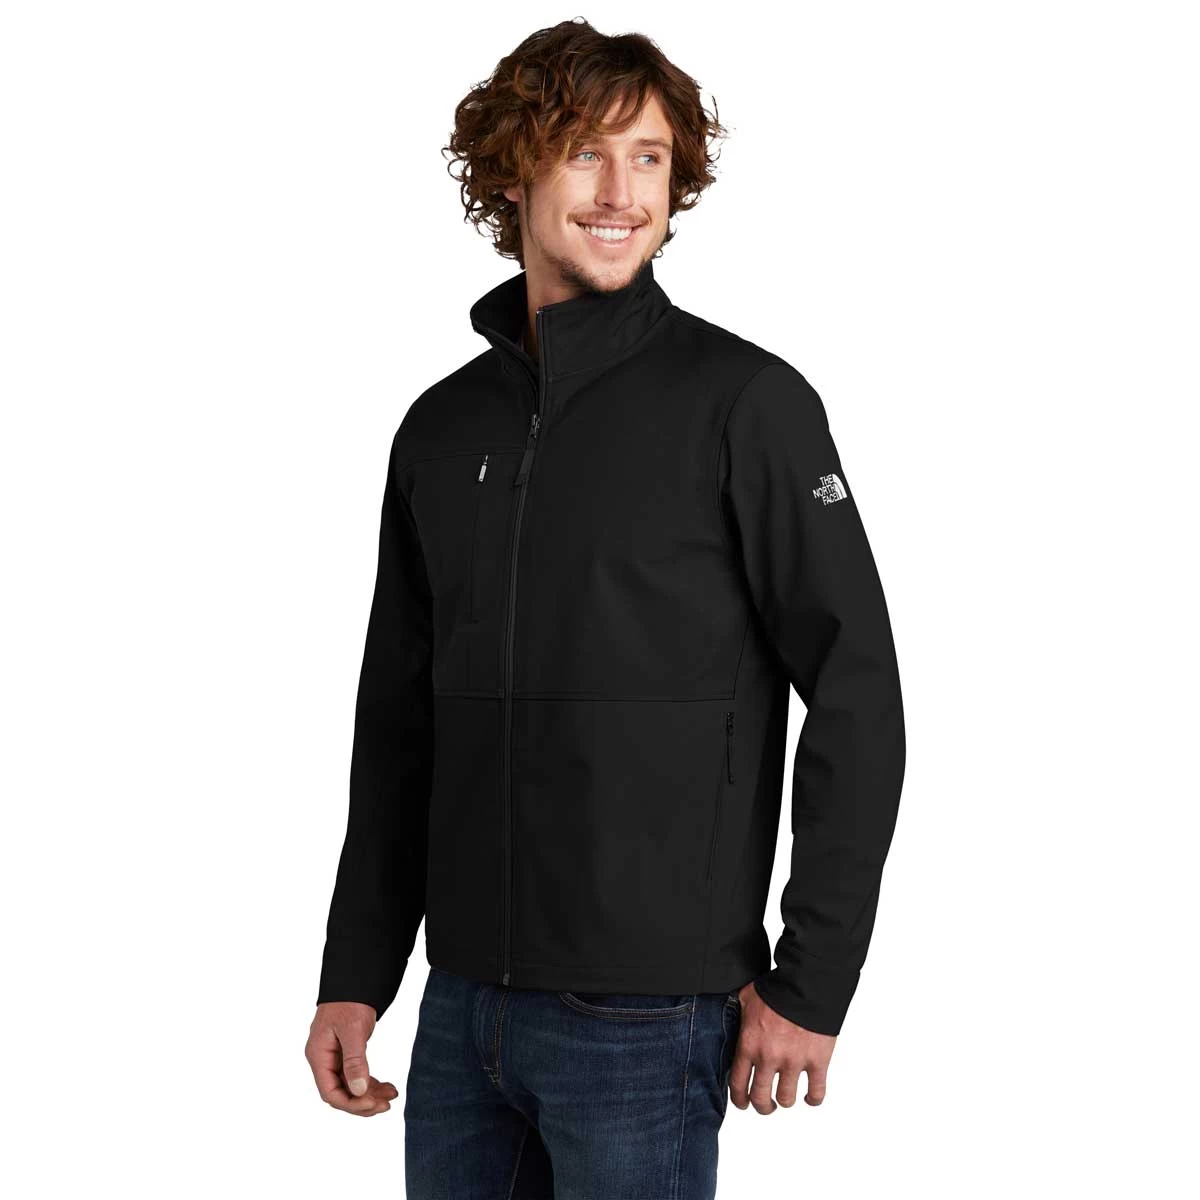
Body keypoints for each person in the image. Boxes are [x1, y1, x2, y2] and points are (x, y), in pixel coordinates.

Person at [305, 18, 906, 1199]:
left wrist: (813, 980)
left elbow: (858, 691)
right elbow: (399, 724)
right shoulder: (442, 428)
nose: (624, 193)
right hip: (460, 1011)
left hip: (648, 1018)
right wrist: (357, 972)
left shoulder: (748, 404)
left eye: (650, 157)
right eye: (585, 153)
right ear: (513, 173)